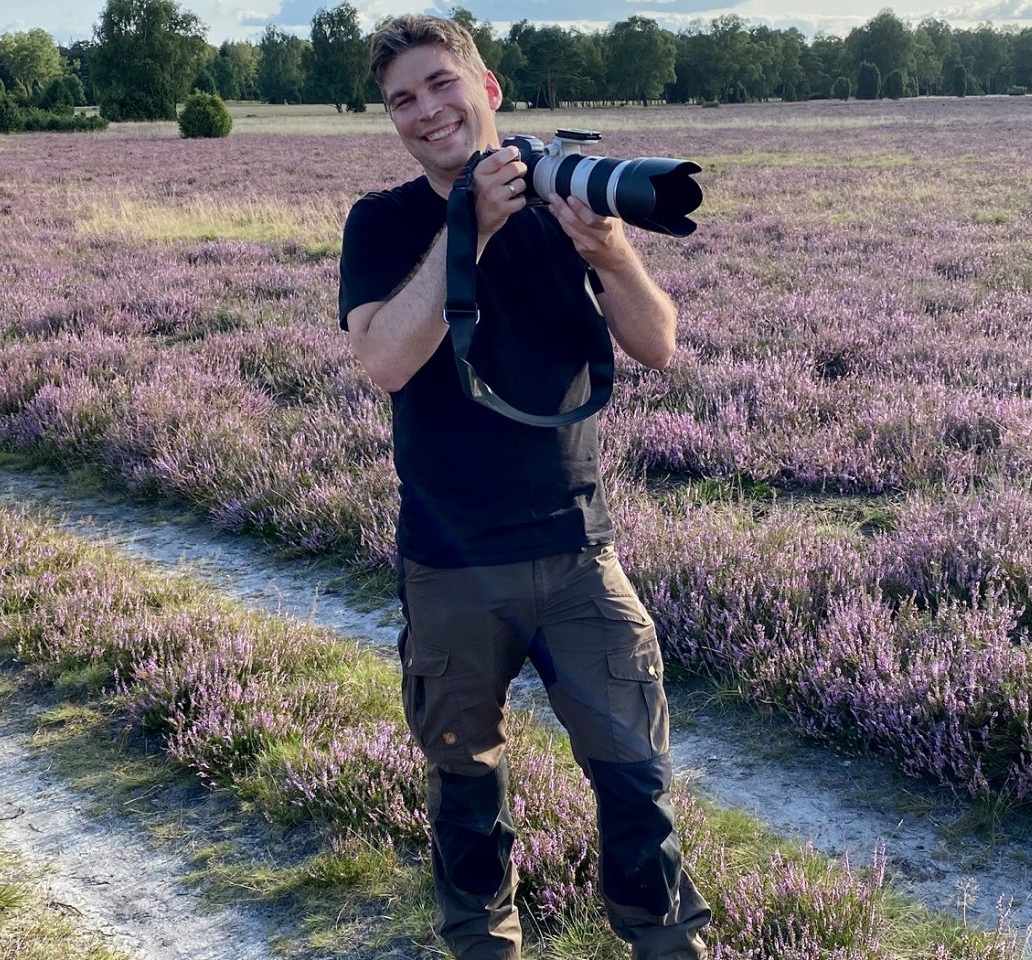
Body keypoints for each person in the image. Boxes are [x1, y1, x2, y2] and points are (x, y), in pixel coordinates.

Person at [336, 14, 710, 960]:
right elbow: (383, 357)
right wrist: (469, 226)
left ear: (488, 87)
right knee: (463, 783)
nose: (427, 112)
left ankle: (666, 944)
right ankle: (484, 945)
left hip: (581, 548)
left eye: (440, 85)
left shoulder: (558, 205)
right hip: (452, 559)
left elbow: (657, 345)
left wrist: (611, 250)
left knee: (637, 779)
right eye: (402, 101)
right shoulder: (382, 223)